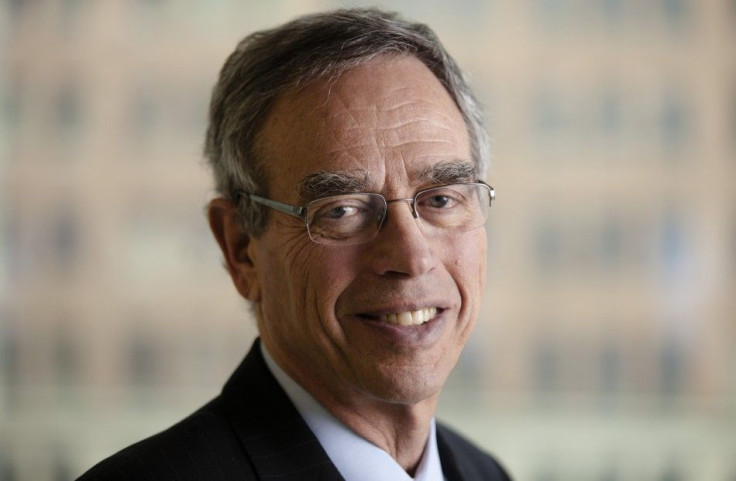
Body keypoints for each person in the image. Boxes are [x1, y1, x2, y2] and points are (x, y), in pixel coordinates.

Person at [78, 8, 509, 481]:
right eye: (341, 210)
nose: (412, 257)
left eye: (442, 198)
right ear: (240, 248)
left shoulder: (483, 472)